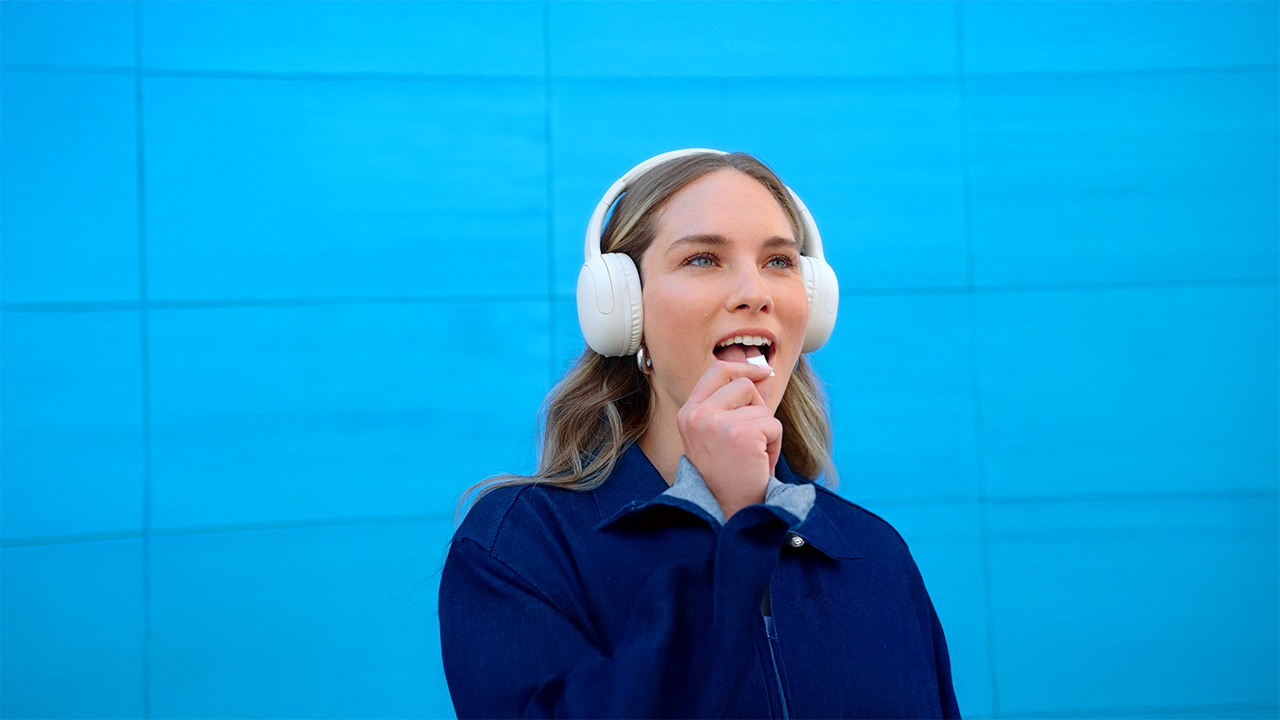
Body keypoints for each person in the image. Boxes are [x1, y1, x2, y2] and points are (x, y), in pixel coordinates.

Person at [438, 149, 961, 718]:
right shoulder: (519, 547)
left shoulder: (875, 554)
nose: (753, 291)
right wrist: (730, 526)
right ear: (622, 308)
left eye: (779, 262)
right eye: (704, 259)